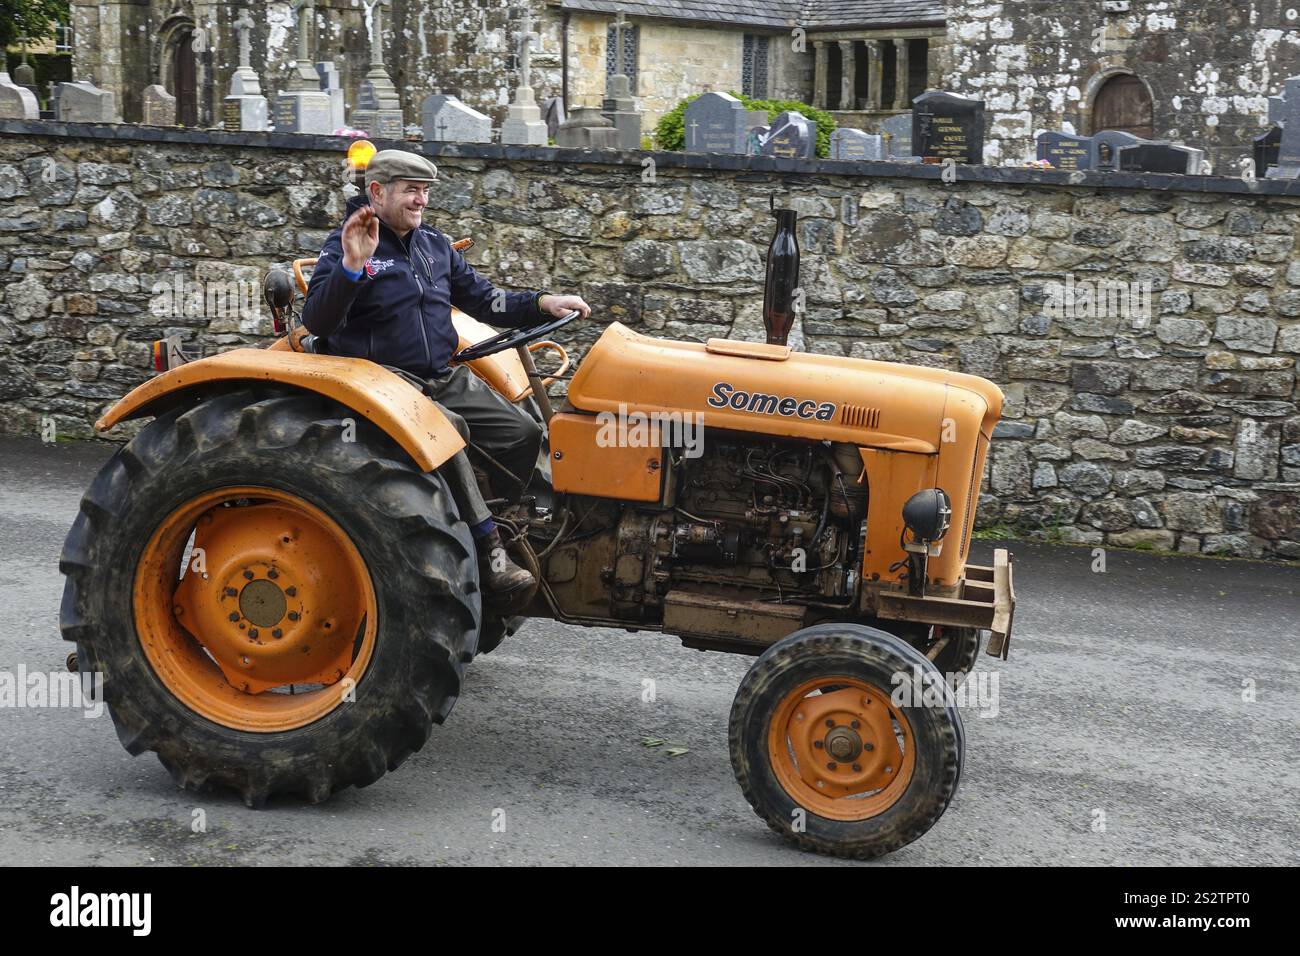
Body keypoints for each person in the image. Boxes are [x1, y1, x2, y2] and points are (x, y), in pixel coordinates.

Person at [301, 149, 591, 606]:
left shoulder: (433, 245)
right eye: (411, 190)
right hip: (381, 381)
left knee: (522, 430)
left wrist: (542, 302)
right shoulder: (345, 245)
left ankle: (514, 522)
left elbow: (485, 300)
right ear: (377, 192)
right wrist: (353, 266)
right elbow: (318, 319)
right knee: (447, 432)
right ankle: (489, 547)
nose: (421, 201)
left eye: (426, 192)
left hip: (438, 374)